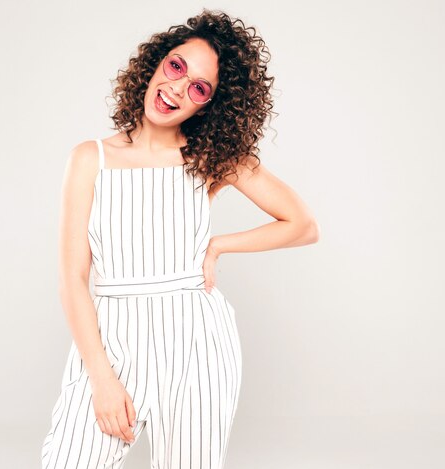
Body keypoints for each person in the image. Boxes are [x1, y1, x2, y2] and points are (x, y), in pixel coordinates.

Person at [41, 9, 320, 469]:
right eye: (176, 66)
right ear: (155, 62)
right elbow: (72, 278)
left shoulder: (211, 158)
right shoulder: (91, 159)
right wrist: (101, 377)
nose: (177, 87)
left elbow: (303, 224)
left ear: (210, 104)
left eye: (199, 87)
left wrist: (219, 245)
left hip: (197, 344)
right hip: (113, 339)